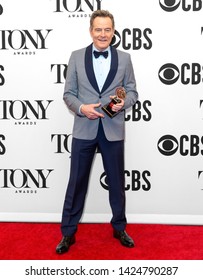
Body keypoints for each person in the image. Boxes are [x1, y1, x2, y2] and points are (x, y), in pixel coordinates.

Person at [56, 10, 139, 254]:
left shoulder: (124, 58)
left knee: (116, 183)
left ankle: (119, 227)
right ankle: (68, 233)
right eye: (98, 29)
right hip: (84, 129)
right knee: (76, 183)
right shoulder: (76, 57)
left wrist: (124, 102)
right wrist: (82, 108)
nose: (103, 34)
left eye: (107, 30)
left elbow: (132, 91)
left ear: (113, 32)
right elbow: (68, 93)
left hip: (113, 130)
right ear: (91, 31)